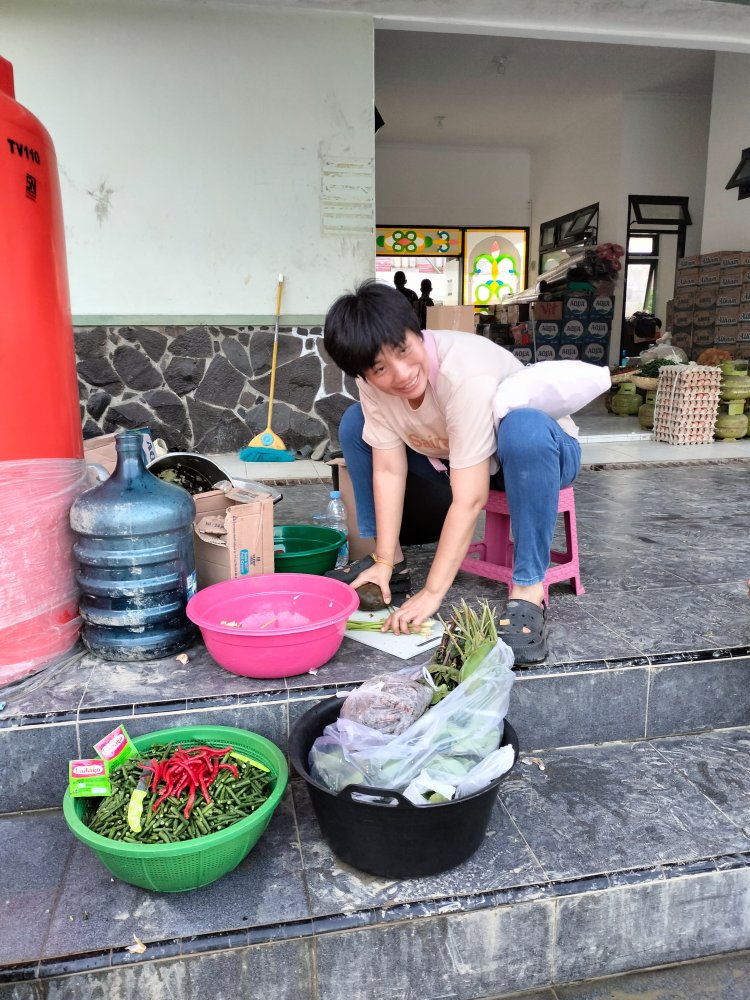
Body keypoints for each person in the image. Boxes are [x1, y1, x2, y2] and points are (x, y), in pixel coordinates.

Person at [323, 281, 608, 664]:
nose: (402, 372)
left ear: (416, 332)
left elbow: (470, 497)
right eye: (379, 368)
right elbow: (389, 470)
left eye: (404, 350)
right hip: (455, 458)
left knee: (523, 428)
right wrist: (384, 559)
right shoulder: (370, 383)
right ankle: (393, 567)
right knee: (355, 423)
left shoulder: (464, 372)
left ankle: (527, 589)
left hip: (538, 455)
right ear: (362, 372)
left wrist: (434, 593)